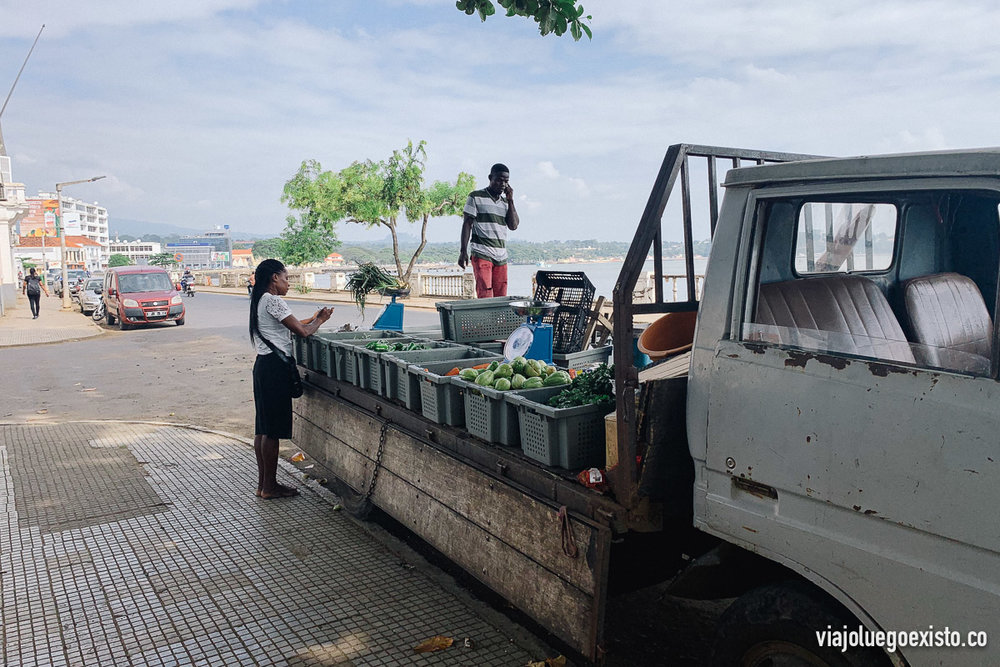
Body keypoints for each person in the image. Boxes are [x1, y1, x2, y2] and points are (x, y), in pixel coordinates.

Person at [249, 259, 333, 499]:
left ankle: (262, 484)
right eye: (286, 278)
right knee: (272, 430)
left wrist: (313, 318)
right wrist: (321, 320)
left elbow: (292, 324)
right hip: (275, 368)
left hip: (263, 365)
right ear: (274, 278)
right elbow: (303, 332)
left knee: (262, 429)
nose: (288, 283)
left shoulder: (259, 299)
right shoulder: (274, 300)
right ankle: (270, 487)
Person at [458, 163, 519, 298]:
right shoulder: (475, 197)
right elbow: (467, 224)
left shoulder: (505, 202)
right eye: (499, 180)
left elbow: (513, 226)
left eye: (506, 181)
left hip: (501, 256)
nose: (502, 184)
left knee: (501, 296)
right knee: (485, 294)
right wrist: (463, 251)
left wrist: (511, 201)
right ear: (490, 178)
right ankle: (485, 319)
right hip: (482, 253)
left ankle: (499, 320)